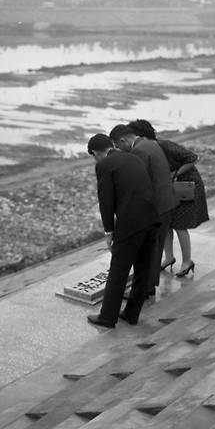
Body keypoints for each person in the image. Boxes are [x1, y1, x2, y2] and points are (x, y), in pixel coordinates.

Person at [86, 133, 160, 328]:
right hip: (151, 218)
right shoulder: (133, 157)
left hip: (130, 223)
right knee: (143, 269)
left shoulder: (104, 165)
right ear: (110, 145)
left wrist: (109, 232)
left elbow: (106, 201)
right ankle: (131, 314)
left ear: (95, 153)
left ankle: (107, 317)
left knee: (118, 270)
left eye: (93, 156)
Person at [130, 119, 209, 277]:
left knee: (180, 225)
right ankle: (169, 257)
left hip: (185, 185)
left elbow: (193, 158)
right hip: (170, 187)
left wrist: (174, 174)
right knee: (166, 224)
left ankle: (187, 261)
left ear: (142, 136)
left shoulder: (163, 145)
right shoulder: (147, 148)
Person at [109, 123, 177, 298]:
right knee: (156, 248)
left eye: (118, 146)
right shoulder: (151, 144)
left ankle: (143, 289)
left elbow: (139, 182)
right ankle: (148, 286)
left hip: (156, 207)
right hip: (167, 202)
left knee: (149, 251)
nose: (119, 150)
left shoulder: (139, 151)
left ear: (123, 140)